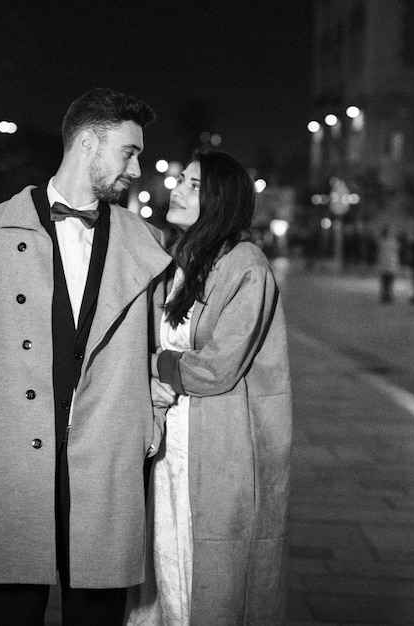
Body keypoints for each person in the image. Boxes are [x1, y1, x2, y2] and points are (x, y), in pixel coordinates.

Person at [0, 87, 172, 626]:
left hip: (109, 457)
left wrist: (148, 423)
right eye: (128, 151)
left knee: (96, 613)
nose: (136, 168)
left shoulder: (148, 240)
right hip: (17, 454)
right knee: (10, 610)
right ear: (88, 142)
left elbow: (162, 348)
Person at [125, 151, 293, 625]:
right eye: (180, 179)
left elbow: (218, 367)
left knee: (206, 568)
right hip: (168, 445)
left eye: (193, 184)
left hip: (219, 445)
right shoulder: (179, 262)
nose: (176, 188)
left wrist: (152, 364)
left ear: (220, 198)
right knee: (164, 557)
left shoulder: (246, 266)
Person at [376, 225, 400, 303]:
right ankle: (388, 296)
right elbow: (397, 250)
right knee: (389, 281)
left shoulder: (381, 241)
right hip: (390, 264)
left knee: (385, 282)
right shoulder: (393, 241)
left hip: (385, 264)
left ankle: (385, 296)